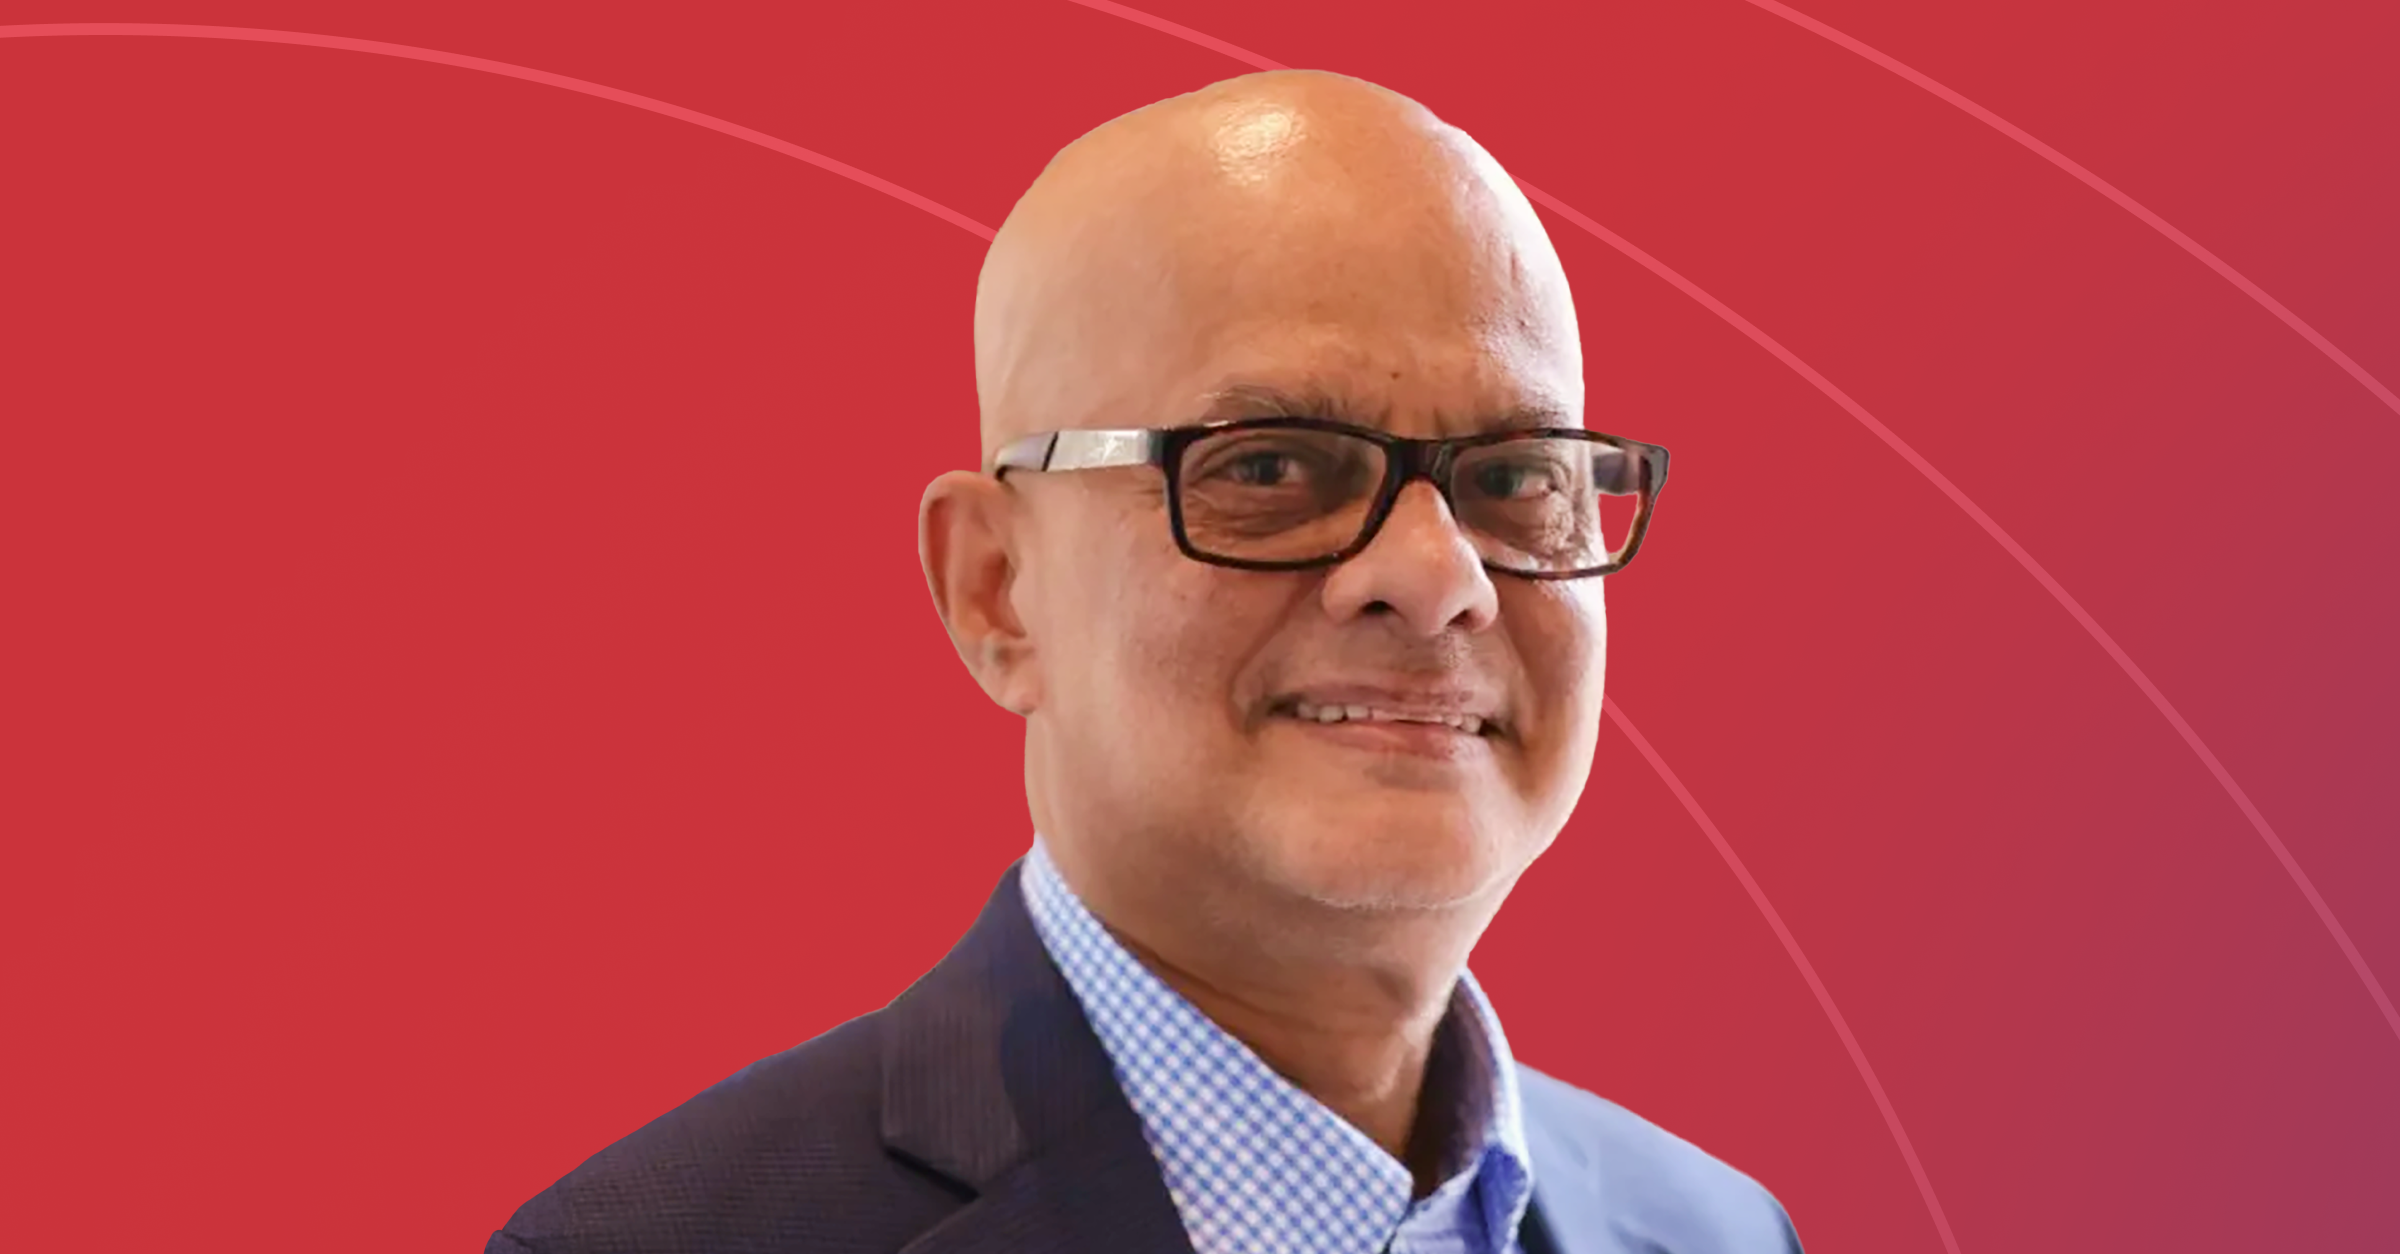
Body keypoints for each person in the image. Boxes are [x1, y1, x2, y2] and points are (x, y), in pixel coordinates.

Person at [486, 68, 1802, 1254]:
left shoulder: (1721, 1232)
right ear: (997, 590)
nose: (1435, 574)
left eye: (1515, 478)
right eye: (1269, 467)